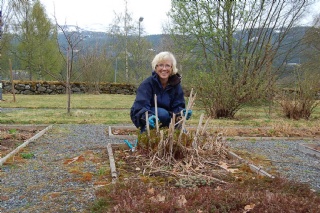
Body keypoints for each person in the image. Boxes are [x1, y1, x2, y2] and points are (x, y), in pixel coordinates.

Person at [130, 51, 192, 132]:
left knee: (184, 134)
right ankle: (146, 131)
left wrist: (181, 113)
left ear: (172, 68)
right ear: (156, 67)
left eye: (167, 65)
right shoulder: (147, 84)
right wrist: (148, 117)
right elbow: (141, 106)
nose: (164, 68)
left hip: (169, 119)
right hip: (148, 118)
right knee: (162, 114)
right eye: (161, 65)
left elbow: (178, 105)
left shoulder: (176, 85)